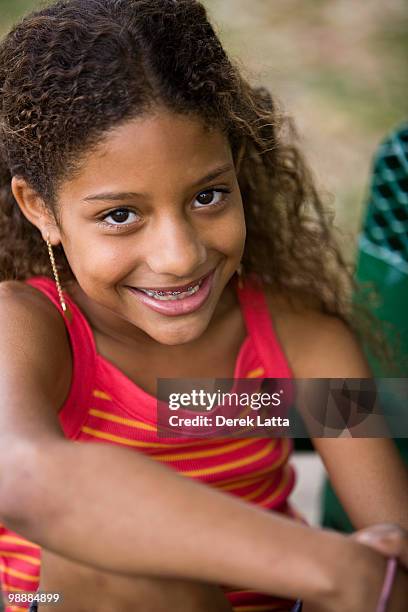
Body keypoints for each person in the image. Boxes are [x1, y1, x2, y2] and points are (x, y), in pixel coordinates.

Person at [0, 1, 407, 611]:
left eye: (208, 195)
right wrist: (329, 567)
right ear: (41, 209)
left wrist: (365, 570)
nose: (179, 256)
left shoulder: (305, 340)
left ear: (239, 172)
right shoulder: (27, 327)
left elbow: (394, 543)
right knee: (128, 566)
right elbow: (21, 476)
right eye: (120, 215)